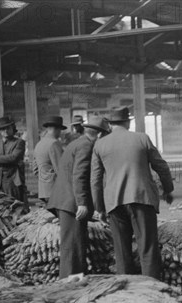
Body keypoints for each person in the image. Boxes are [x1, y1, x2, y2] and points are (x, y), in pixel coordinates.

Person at [91, 107, 174, 278]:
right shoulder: (141, 138)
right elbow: (161, 166)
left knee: (121, 250)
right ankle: (152, 288)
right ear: (128, 122)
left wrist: (99, 208)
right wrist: (167, 189)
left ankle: (126, 291)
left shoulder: (100, 144)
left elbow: (96, 180)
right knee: (147, 247)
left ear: (109, 124)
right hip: (141, 198)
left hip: (114, 202)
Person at [47, 117, 110, 279]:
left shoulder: (77, 143)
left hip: (66, 199)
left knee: (74, 243)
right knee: (73, 245)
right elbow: (79, 176)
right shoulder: (86, 146)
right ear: (100, 135)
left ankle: (74, 278)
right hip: (72, 202)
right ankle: (69, 283)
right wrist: (82, 204)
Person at [0, 116, 26, 202]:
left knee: (14, 206)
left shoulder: (19, 142)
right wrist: (2, 159)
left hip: (12, 180)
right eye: (2, 129)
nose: (5, 131)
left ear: (12, 128)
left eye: (7, 128)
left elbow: (14, 158)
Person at [32, 115, 64, 202]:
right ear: (57, 129)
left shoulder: (39, 144)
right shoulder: (54, 144)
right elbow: (61, 170)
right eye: (60, 130)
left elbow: (35, 170)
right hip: (55, 191)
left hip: (43, 191)